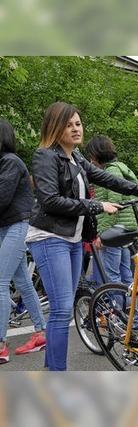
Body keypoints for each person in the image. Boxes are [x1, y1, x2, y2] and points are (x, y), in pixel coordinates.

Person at [26, 102, 138, 371]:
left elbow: (109, 180)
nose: (76, 128)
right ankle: (56, 373)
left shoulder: (76, 158)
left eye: (78, 123)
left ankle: (51, 369)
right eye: (69, 124)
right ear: (55, 127)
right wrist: (97, 206)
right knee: (62, 309)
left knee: (64, 307)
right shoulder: (45, 156)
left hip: (74, 238)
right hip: (48, 237)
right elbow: (50, 200)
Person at [0, 119, 47, 364]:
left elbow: (2, 197)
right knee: (23, 282)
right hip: (7, 226)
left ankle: (0, 345)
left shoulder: (10, 162)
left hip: (17, 225)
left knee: (0, 281)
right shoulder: (4, 163)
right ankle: (40, 334)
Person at [84, 136, 138, 286]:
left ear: (96, 154)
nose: (90, 160)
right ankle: (132, 308)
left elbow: (113, 204)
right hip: (125, 229)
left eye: (91, 155)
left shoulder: (111, 172)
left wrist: (104, 234)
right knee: (126, 275)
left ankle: (120, 309)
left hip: (114, 231)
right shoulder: (121, 168)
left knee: (112, 276)